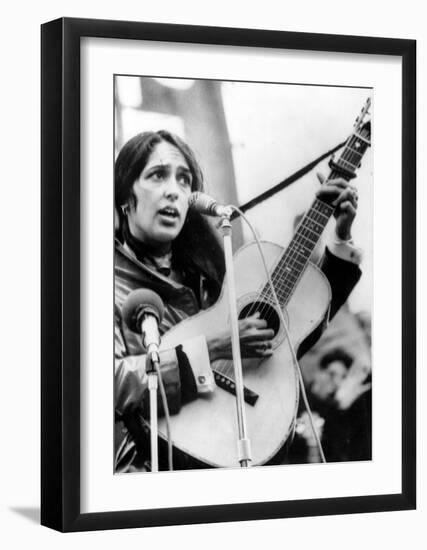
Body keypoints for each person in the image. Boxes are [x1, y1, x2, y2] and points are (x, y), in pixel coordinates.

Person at [114, 129, 362, 472]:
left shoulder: (212, 276)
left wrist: (340, 235)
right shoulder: (100, 282)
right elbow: (102, 385)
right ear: (125, 193)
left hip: (230, 459)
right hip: (144, 470)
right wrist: (215, 346)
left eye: (184, 180)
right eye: (158, 175)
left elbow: (292, 335)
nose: (174, 190)